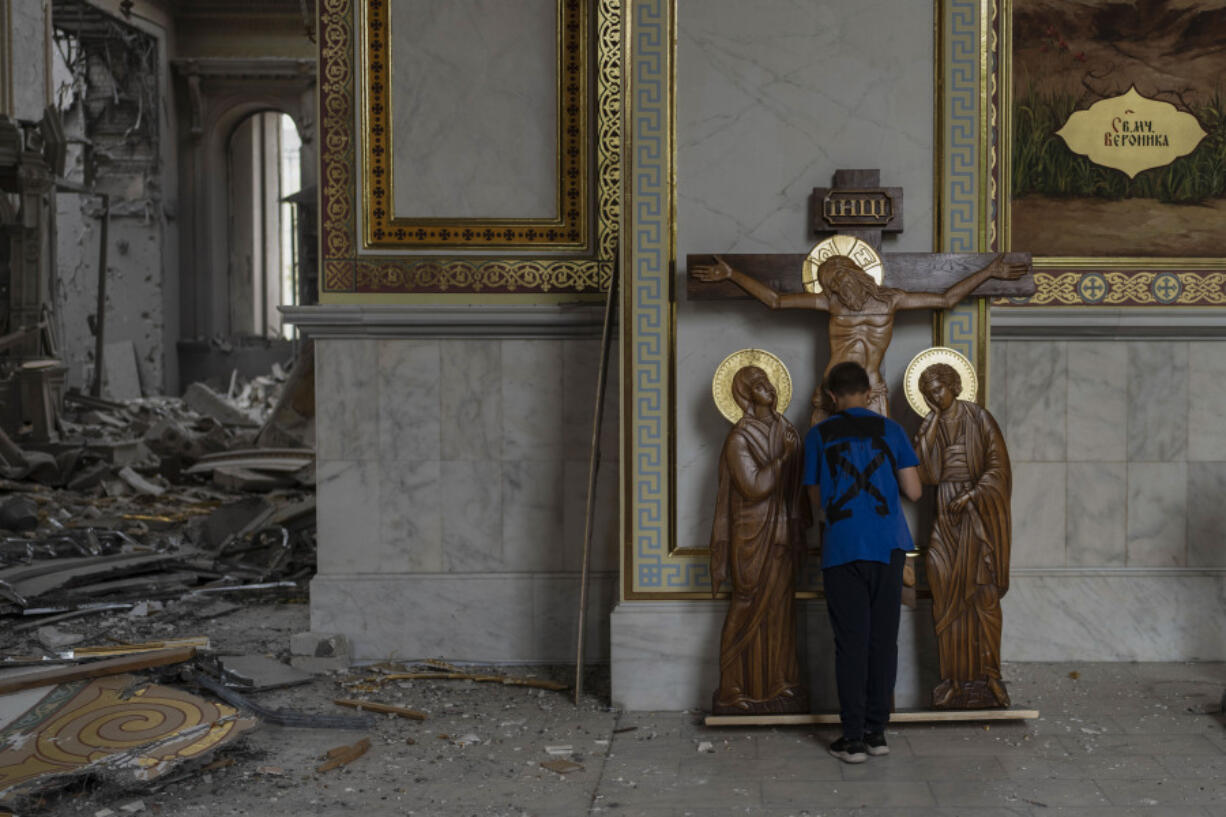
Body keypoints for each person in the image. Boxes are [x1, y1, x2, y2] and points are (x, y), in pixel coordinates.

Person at [691, 253, 1027, 424]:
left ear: (854, 272)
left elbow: (946, 299)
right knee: (827, 475)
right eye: (828, 282)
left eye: (837, 276)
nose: (834, 285)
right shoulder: (829, 302)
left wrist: (988, 272)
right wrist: (732, 274)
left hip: (872, 393)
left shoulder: (892, 299)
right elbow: (776, 301)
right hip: (829, 394)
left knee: (878, 472)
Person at [803, 361, 921, 763]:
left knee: (850, 644)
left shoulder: (818, 436)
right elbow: (915, 491)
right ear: (869, 394)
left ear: (832, 396)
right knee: (883, 641)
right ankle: (877, 733)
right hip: (888, 546)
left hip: (842, 548)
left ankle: (851, 739)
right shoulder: (893, 430)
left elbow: (816, 504)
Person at [709, 366, 810, 714]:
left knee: (781, 609)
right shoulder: (738, 439)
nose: (768, 389)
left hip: (781, 532)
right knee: (746, 602)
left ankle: (778, 683)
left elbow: (799, 484)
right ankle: (732, 686)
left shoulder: (787, 430)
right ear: (746, 395)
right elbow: (754, 486)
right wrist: (783, 458)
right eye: (759, 386)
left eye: (768, 383)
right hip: (750, 535)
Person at [914, 362, 1012, 709]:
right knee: (947, 598)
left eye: (937, 390)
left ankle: (990, 676)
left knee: (984, 597)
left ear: (953, 385)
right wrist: (928, 431)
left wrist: (973, 494)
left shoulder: (978, 418)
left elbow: (999, 467)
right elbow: (925, 476)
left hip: (976, 516)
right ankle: (952, 679)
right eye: (927, 394)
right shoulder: (933, 424)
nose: (933, 398)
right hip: (945, 516)